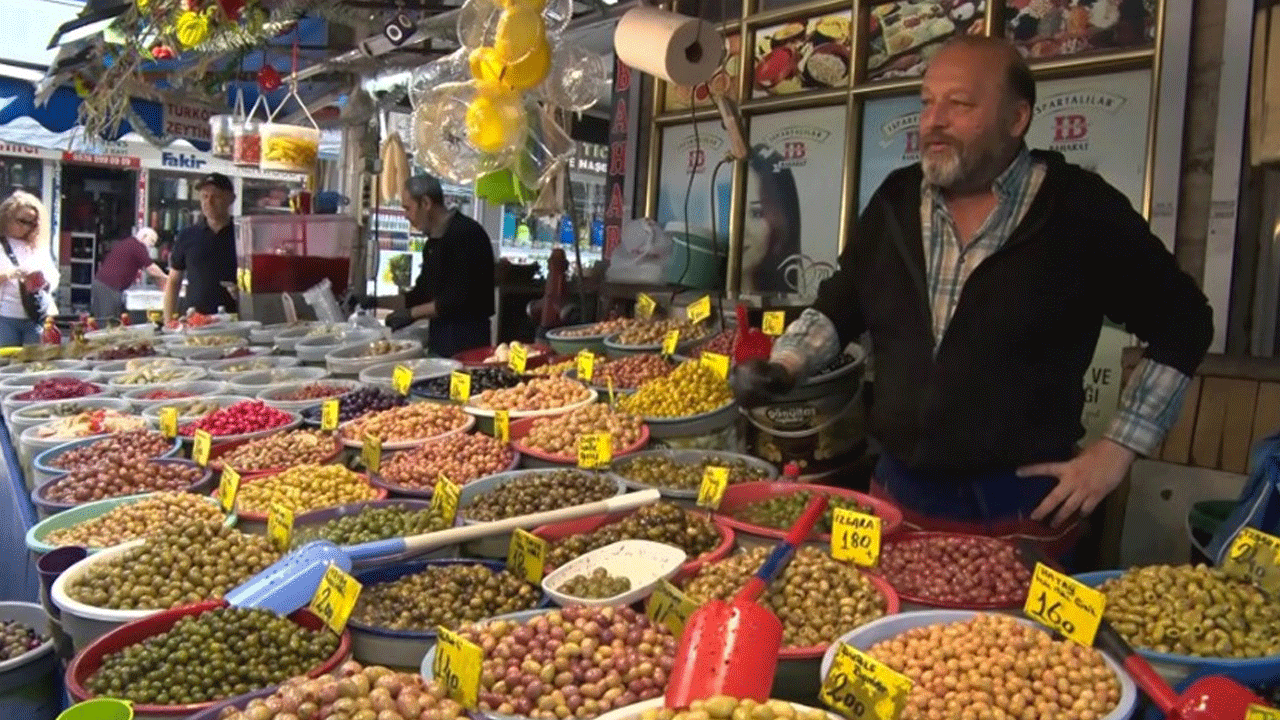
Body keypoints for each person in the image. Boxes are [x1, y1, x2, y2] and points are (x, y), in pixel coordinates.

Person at [730, 36, 1214, 566]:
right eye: (926, 102)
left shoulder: (1081, 211)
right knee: (891, 641)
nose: (933, 120)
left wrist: (1118, 449)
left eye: (958, 104)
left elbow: (1183, 321)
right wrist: (786, 365)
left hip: (1021, 507)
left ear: (1016, 118)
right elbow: (843, 301)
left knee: (1002, 651)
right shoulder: (896, 199)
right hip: (898, 492)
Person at [386, 174, 495, 357]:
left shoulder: (466, 234)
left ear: (426, 203)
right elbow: (420, 294)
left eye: (408, 208)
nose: (406, 216)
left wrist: (411, 314)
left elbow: (454, 300)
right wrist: (373, 301)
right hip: (440, 342)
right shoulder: (433, 243)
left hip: (468, 344)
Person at [164, 173, 237, 319]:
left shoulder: (242, 234)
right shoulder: (187, 235)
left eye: (215, 196)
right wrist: (168, 320)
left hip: (235, 320)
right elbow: (173, 281)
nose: (209, 202)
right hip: (195, 320)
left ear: (231, 199)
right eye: (204, 196)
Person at [0, 191, 58, 346]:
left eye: (32, 223)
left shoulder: (37, 245)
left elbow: (53, 276)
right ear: (7, 217)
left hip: (34, 317)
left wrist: (42, 281)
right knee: (6, 366)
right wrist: (9, 275)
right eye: (22, 221)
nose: (27, 227)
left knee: (34, 365)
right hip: (5, 317)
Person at [91, 226, 168, 320]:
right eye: (151, 242)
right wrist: (168, 278)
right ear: (143, 236)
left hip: (102, 284)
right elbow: (151, 269)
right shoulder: (138, 247)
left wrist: (161, 284)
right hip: (109, 287)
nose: (151, 246)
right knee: (108, 321)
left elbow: (149, 272)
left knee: (100, 319)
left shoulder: (130, 243)